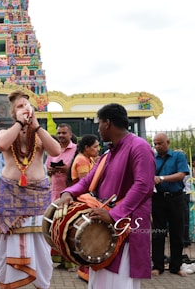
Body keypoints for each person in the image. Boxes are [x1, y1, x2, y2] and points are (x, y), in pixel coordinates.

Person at [56, 103, 155, 288]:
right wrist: (68, 192)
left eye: (99, 123)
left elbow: (144, 186)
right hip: (104, 226)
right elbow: (87, 181)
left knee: (119, 281)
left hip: (126, 228)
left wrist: (114, 214)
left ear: (108, 123)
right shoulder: (109, 153)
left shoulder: (139, 146)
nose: (98, 128)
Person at [0, 90, 61, 288]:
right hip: (10, 195)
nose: (25, 109)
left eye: (27, 105)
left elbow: (56, 151)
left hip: (37, 196)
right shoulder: (7, 133)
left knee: (40, 240)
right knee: (8, 240)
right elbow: (2, 144)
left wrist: (36, 126)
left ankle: (41, 283)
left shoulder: (39, 134)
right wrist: (20, 124)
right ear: (13, 113)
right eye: (19, 107)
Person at [152, 132, 190, 277]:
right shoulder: (152, 158)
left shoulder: (178, 156)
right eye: (155, 144)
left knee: (177, 233)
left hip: (176, 198)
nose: (157, 146)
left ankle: (176, 266)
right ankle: (157, 266)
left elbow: (181, 174)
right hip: (158, 199)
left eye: (160, 143)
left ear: (168, 142)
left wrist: (161, 178)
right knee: (158, 233)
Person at [65, 134, 99, 282]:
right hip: (83, 199)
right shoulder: (81, 160)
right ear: (86, 148)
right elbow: (87, 184)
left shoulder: (88, 159)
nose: (98, 149)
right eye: (95, 147)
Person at [44, 123, 76, 269]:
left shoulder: (76, 150)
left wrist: (66, 169)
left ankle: (71, 260)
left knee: (68, 226)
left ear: (70, 134)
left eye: (64, 133)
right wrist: (51, 171)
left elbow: (79, 169)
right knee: (55, 226)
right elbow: (47, 167)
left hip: (70, 194)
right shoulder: (53, 150)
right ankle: (60, 259)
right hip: (55, 192)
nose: (61, 135)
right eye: (59, 133)